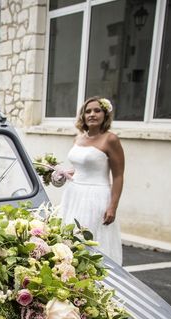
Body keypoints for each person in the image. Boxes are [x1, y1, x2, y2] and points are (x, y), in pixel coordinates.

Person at [60, 96, 125, 265]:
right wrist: (62, 173)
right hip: (74, 194)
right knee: (70, 237)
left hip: (96, 196)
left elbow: (118, 176)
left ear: (105, 114)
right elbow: (82, 168)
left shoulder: (110, 139)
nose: (92, 114)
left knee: (91, 239)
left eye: (97, 110)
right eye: (88, 111)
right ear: (82, 116)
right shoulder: (79, 138)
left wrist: (113, 206)